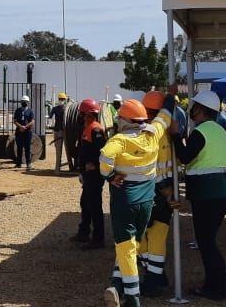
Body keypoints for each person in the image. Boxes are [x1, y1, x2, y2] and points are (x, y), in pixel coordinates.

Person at [100, 97, 174, 307]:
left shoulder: (119, 140)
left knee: (126, 247)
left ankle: (132, 299)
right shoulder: (153, 134)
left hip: (125, 202)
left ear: (125, 121)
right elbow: (164, 117)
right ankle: (117, 284)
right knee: (132, 246)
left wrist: (110, 176)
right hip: (147, 202)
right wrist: (169, 98)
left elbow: (104, 158)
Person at [171, 90, 226, 301]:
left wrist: (175, 135)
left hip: (207, 194)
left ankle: (219, 287)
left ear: (201, 110)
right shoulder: (220, 131)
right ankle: (212, 284)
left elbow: (185, 157)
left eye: (194, 106)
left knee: (207, 243)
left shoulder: (201, 132)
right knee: (208, 240)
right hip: (220, 193)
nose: (191, 110)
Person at [138, 90, 186, 296]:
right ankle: (155, 275)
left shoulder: (150, 133)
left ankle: (154, 280)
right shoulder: (165, 132)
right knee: (154, 235)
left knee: (149, 236)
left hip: (153, 191)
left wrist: (167, 192)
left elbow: (155, 167)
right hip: (163, 189)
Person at [70, 98, 107, 248]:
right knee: (85, 203)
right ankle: (83, 233)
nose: (80, 116)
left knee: (94, 205)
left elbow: (103, 152)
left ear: (89, 114)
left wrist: (95, 165)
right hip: (87, 174)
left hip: (94, 175)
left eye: (82, 114)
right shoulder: (87, 128)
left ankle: (98, 239)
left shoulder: (96, 130)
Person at [13, 95, 35, 170]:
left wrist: (25, 127)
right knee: (19, 148)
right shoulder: (17, 110)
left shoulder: (30, 111)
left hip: (27, 132)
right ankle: (18, 163)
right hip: (19, 132)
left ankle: (28, 164)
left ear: (28, 102)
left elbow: (32, 121)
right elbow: (15, 121)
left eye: (25, 101)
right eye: (23, 101)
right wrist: (20, 127)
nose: (24, 102)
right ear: (21, 102)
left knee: (27, 148)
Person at [50, 91, 68, 171]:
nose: (61, 100)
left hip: (59, 130)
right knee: (59, 148)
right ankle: (59, 165)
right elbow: (50, 116)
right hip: (59, 130)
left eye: (62, 99)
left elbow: (50, 116)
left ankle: (58, 167)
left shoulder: (61, 109)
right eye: (61, 99)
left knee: (59, 149)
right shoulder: (64, 109)